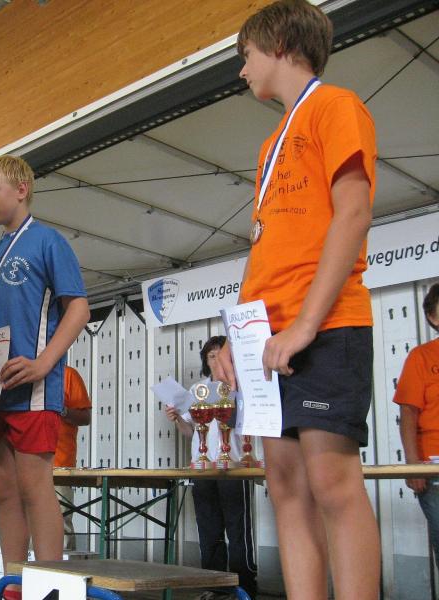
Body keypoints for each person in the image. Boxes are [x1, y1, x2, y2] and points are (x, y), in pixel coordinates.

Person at [212, 2, 381, 599]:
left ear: (280, 44)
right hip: (267, 335)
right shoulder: (270, 146)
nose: (242, 70)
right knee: (284, 487)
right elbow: (266, 248)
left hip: (326, 325)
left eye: (247, 55)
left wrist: (306, 325)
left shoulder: (336, 106)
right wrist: (236, 339)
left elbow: (353, 213)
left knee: (332, 482)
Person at [0, 155, 89, 600]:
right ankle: (13, 587)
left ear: (21, 189)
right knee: (4, 490)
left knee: (35, 487)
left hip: (31, 386)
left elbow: (78, 308)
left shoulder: (48, 242)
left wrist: (45, 362)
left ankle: (50, 590)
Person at [166, 336, 257, 600]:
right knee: (208, 529)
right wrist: (176, 419)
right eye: (211, 356)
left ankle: (245, 587)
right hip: (202, 468)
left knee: (238, 530)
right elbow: (191, 432)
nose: (216, 360)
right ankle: (215, 587)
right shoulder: (198, 390)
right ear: (206, 361)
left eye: (221, 354)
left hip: (234, 468)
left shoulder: (240, 387)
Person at [394, 283, 439, 569]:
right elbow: (408, 413)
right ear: (433, 317)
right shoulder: (421, 357)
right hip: (433, 467)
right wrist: (413, 465)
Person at [54, 366, 92, 551]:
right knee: (24, 523)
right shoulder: (22, 376)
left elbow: (85, 417)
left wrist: (62, 410)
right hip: (25, 465)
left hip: (60, 465)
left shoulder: (68, 375)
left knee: (60, 523)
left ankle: (64, 567)